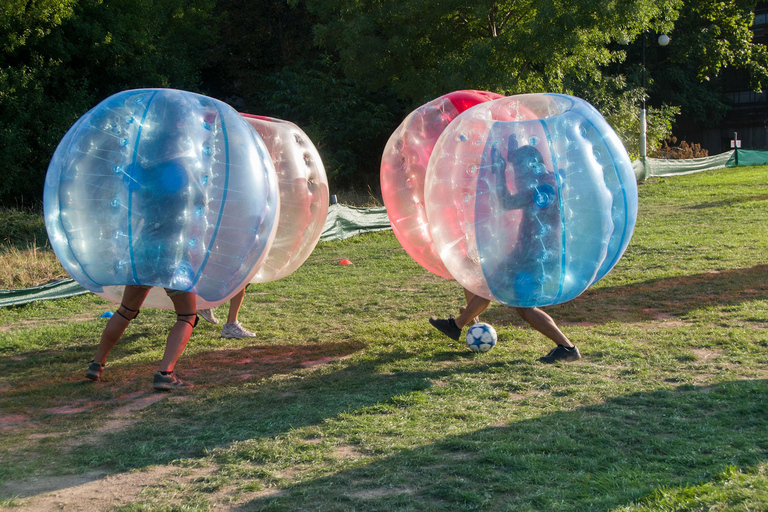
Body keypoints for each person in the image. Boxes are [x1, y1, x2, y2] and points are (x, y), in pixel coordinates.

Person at [429, 135, 580, 364]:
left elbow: (506, 202)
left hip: (535, 256)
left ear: (530, 168)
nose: (517, 178)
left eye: (518, 172)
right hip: (529, 252)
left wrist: (499, 171)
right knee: (514, 301)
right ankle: (566, 348)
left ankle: (458, 325)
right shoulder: (545, 181)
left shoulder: (545, 187)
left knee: (497, 288)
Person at [85, 285, 198, 390]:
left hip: (141, 265)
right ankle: (165, 373)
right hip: (172, 267)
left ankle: (96, 364)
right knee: (186, 316)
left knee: (126, 310)